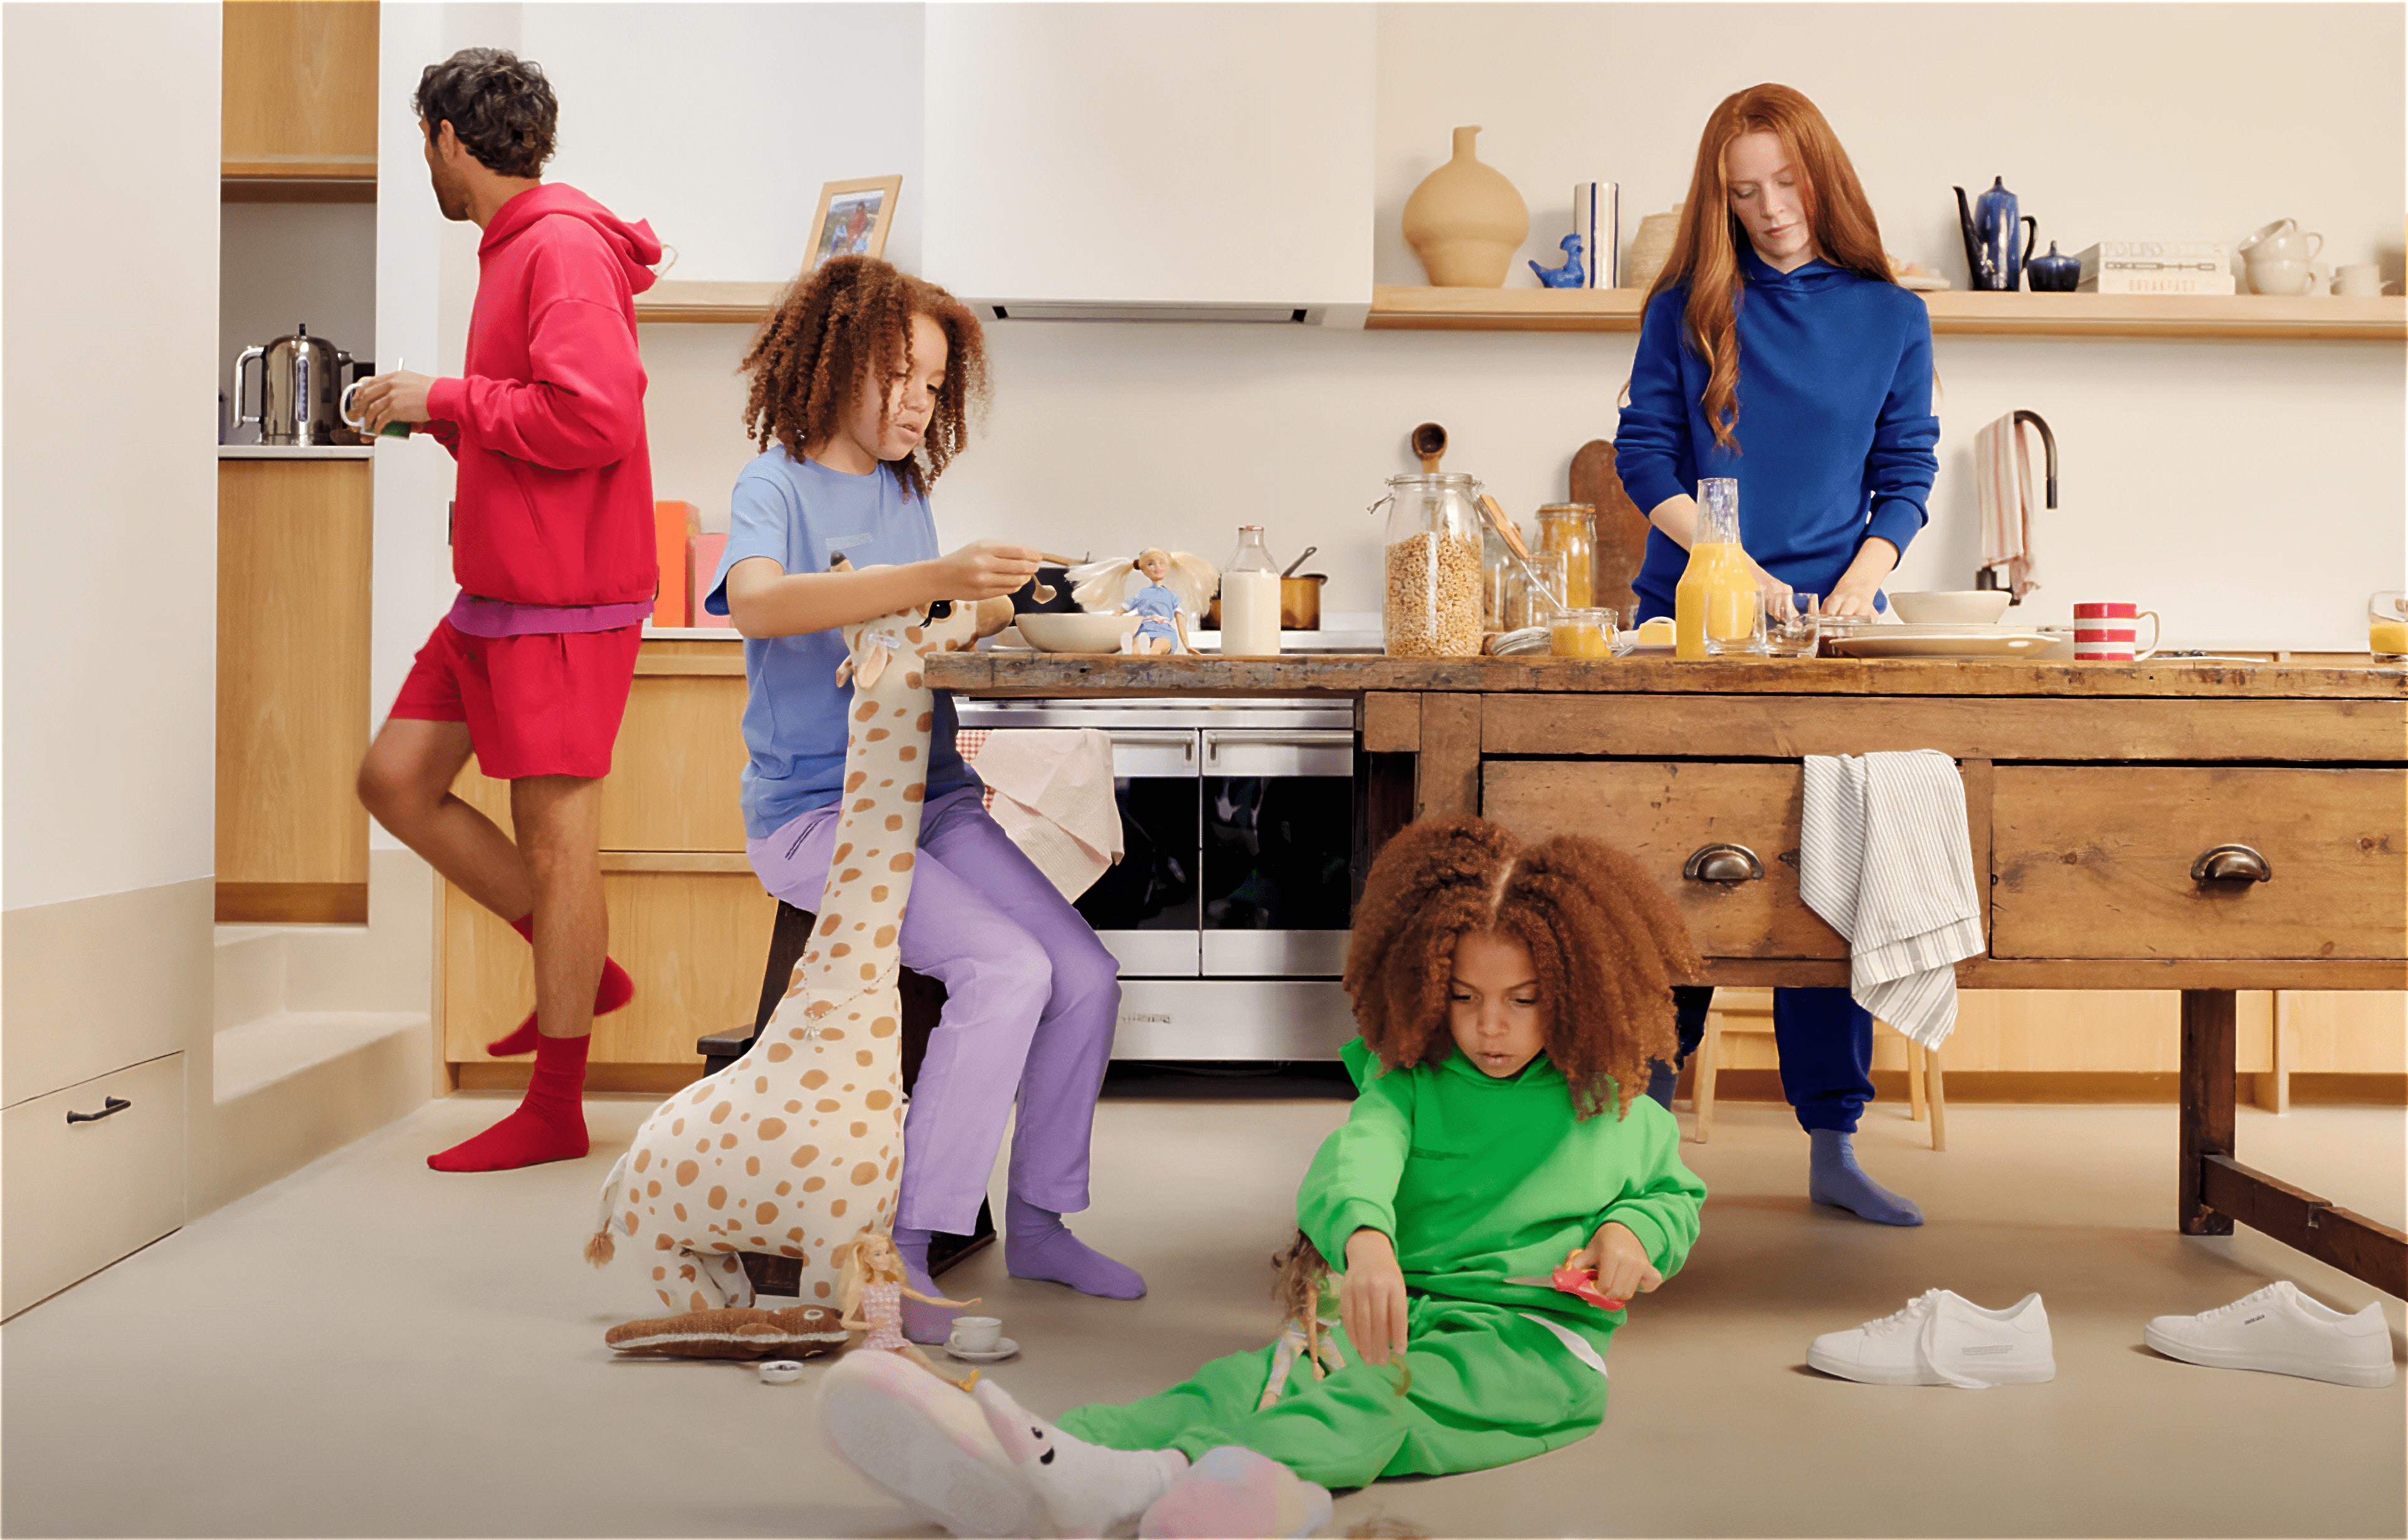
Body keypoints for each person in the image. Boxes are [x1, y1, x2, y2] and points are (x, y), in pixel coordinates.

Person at [818, 818, 1708, 1539]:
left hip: (1533, 1345)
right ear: (1431, 980)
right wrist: (1365, 1242)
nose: (1490, 1028)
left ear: (1579, 989)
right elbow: (1352, 1163)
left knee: (1367, 1404)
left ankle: (1180, 1485)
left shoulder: (1614, 1104)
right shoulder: (1411, 1082)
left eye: (1523, 1001)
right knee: (1244, 1381)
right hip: (1392, 1309)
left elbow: (1668, 1196)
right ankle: (1039, 1451)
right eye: (1466, 997)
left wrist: (1631, 1238)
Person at [706, 254, 1142, 1346]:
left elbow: (928, 621)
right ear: (830, 363)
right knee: (1007, 969)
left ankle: (1039, 1221)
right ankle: (894, 1256)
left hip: (933, 798)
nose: (918, 400)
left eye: (937, 385)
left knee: (1084, 973)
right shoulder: (774, 486)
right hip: (822, 817)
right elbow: (758, 606)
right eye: (898, 373)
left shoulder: (904, 492)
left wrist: (974, 611)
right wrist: (935, 581)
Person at [1613, 82, 1941, 1226]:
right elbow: (1645, 454)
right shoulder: (1690, 305)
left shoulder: (1892, 318)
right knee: (1676, 883)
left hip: (1827, 640)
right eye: (1743, 192)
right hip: (1693, 625)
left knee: (1828, 882)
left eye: (1786, 184)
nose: (1770, 210)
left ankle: (1834, 1144)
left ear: (1822, 176)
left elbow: (1907, 471)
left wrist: (1856, 586)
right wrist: (1731, 563)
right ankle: (1641, 1141)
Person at [349, 48, 662, 1173]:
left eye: (420, 142)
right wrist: (431, 411)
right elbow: (529, 415)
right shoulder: (519, 247)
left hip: (563, 605)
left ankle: (557, 1105)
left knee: (559, 842)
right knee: (395, 780)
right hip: (502, 591)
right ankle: (578, 962)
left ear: (444, 137)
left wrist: (447, 396)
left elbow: (593, 423)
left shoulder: (561, 251)